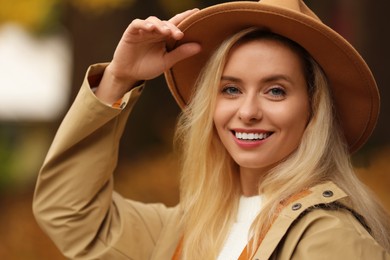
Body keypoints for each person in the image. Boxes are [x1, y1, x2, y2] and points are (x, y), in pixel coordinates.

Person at [33, 0, 390, 259]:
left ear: (313, 109)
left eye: (275, 90)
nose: (247, 112)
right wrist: (118, 78)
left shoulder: (330, 239)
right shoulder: (190, 227)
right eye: (231, 89)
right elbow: (68, 212)